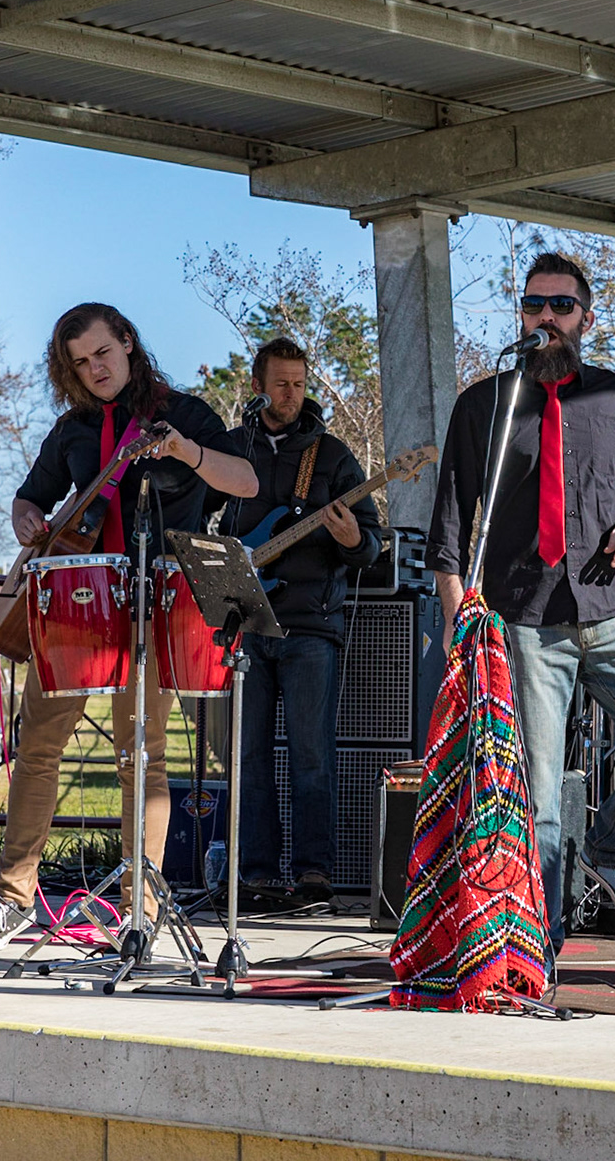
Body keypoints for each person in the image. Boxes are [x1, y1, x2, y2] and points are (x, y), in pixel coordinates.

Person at [0, 303, 257, 951]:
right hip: (78, 604)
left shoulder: (182, 413)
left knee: (141, 757)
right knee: (39, 746)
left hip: (153, 601)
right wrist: (23, 519)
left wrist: (185, 450)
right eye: (79, 362)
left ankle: (140, 912)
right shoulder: (72, 429)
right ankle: (13, 900)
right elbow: (29, 496)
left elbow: (245, 479)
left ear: (127, 341)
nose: (94, 369)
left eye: (102, 352)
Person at [427, 251, 615, 940]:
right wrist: (462, 621)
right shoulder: (485, 404)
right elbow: (451, 521)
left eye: (561, 306)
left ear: (587, 317)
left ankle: (608, 852)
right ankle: (536, 948)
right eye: (534, 305)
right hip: (525, 618)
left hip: (612, 609)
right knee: (540, 799)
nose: (547, 317)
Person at [220, 337, 382, 907]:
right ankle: (256, 876)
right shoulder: (232, 448)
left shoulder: (333, 456)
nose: (292, 394)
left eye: (299, 383)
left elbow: (371, 547)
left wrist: (352, 537)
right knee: (249, 758)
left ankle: (315, 876)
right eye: (281, 383)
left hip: (311, 627)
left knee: (313, 755)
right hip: (245, 623)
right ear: (260, 384)